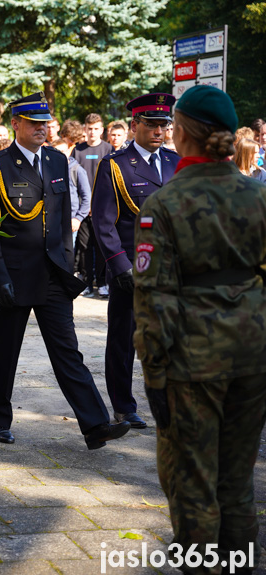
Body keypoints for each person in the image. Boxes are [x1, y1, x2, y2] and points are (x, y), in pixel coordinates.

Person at [133, 85, 266, 573]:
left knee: (192, 479)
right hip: (253, 353)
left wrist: (154, 372)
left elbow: (154, 297)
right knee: (237, 477)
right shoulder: (259, 195)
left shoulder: (166, 203)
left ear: (182, 133)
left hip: (193, 359)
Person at [0, 92, 130, 449]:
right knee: (5, 351)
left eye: (45, 123)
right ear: (16, 124)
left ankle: (96, 425)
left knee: (67, 351)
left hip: (53, 276)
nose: (42, 129)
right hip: (14, 275)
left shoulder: (59, 161)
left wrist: (66, 264)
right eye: (34, 123)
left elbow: (61, 221)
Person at [92, 93, 180, 430]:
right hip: (132, 269)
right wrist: (119, 265)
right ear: (135, 125)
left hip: (170, 269)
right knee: (124, 339)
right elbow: (103, 221)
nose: (159, 131)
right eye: (152, 125)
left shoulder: (175, 162)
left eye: (163, 125)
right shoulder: (115, 165)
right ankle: (124, 406)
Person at [73, 114, 114, 298]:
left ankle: (103, 282)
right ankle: (87, 283)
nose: (92, 132)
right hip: (82, 209)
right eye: (89, 128)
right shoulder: (78, 150)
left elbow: (111, 179)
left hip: (102, 207)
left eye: (96, 128)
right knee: (84, 248)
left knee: (101, 246)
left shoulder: (108, 149)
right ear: (85, 129)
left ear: (102, 130)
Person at [50, 137, 90, 243]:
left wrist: (78, 218)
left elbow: (87, 197)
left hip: (70, 222)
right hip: (52, 222)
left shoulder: (76, 170)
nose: (60, 155)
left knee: (67, 255)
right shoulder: (47, 170)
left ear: (68, 151)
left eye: (63, 151)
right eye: (57, 152)